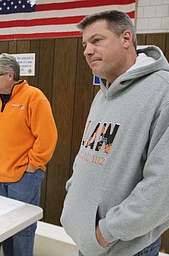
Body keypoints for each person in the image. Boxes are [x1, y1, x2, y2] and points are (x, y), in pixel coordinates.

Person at [60, 10, 169, 256]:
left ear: (126, 39)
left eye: (97, 40)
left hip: (125, 246)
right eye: (85, 44)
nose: (87, 50)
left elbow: (162, 188)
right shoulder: (103, 93)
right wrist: (73, 194)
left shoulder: (163, 93)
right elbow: (88, 151)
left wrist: (106, 232)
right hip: (90, 241)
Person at [0, 53, 58, 256]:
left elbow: (47, 137)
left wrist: (31, 167)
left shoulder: (34, 97)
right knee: (4, 228)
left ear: (11, 75)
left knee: (22, 231)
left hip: (24, 178)